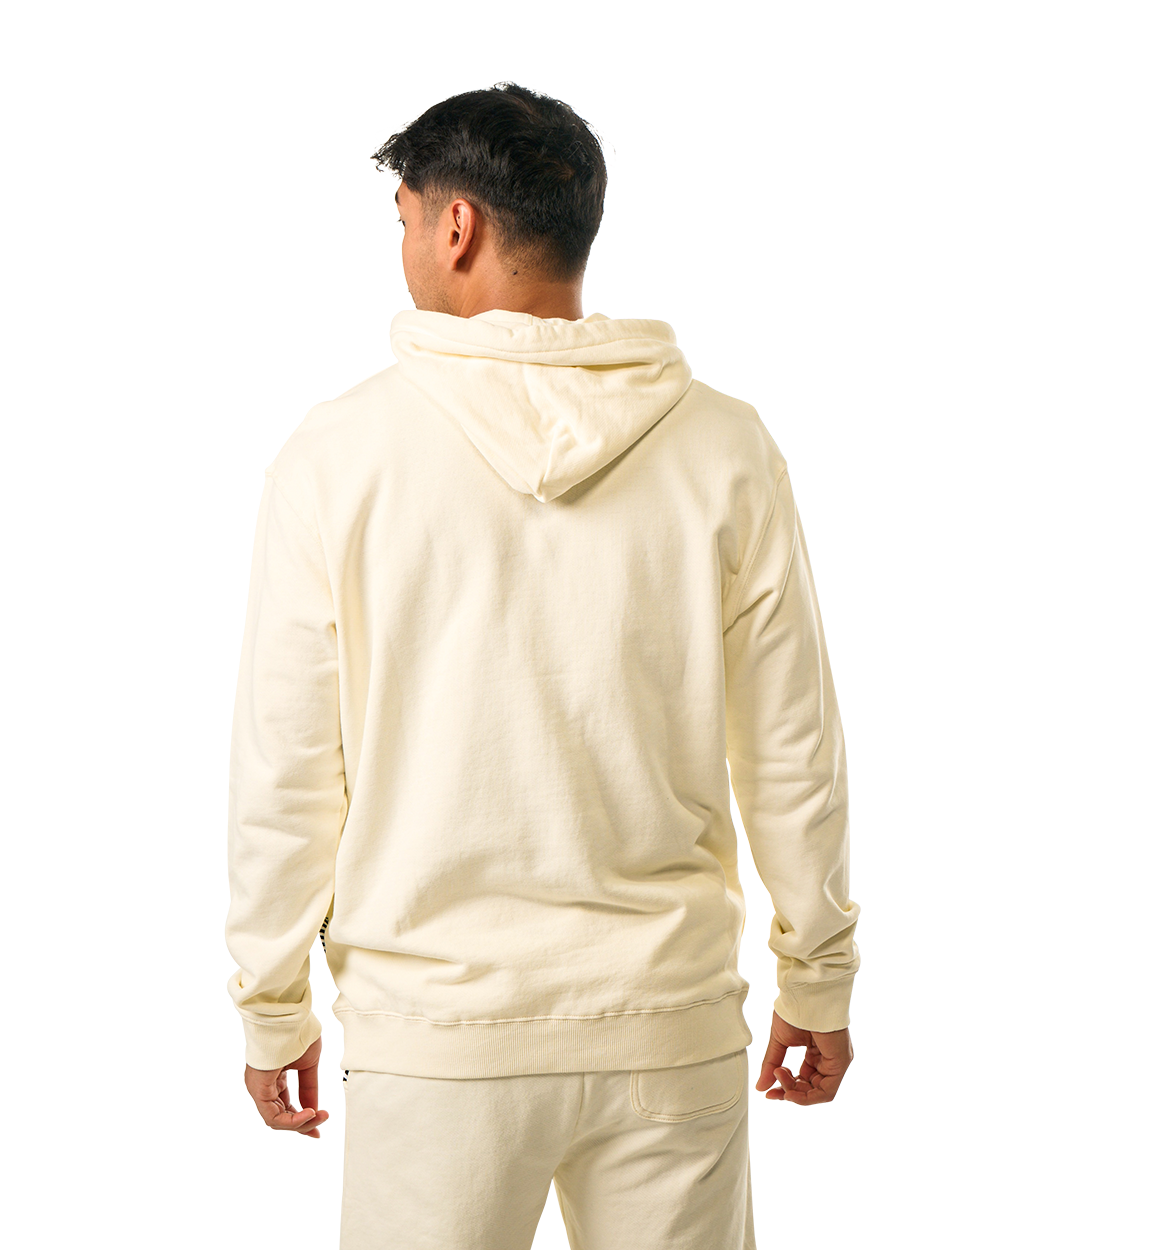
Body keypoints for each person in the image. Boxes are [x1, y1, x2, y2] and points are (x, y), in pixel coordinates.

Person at [225, 81, 860, 1250]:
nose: (405, 248)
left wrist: (270, 1005)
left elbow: (290, 770)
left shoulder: (338, 457)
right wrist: (813, 978)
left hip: (434, 1035)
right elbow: (790, 755)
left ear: (456, 225)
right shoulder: (724, 449)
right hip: (665, 1021)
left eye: (405, 219)